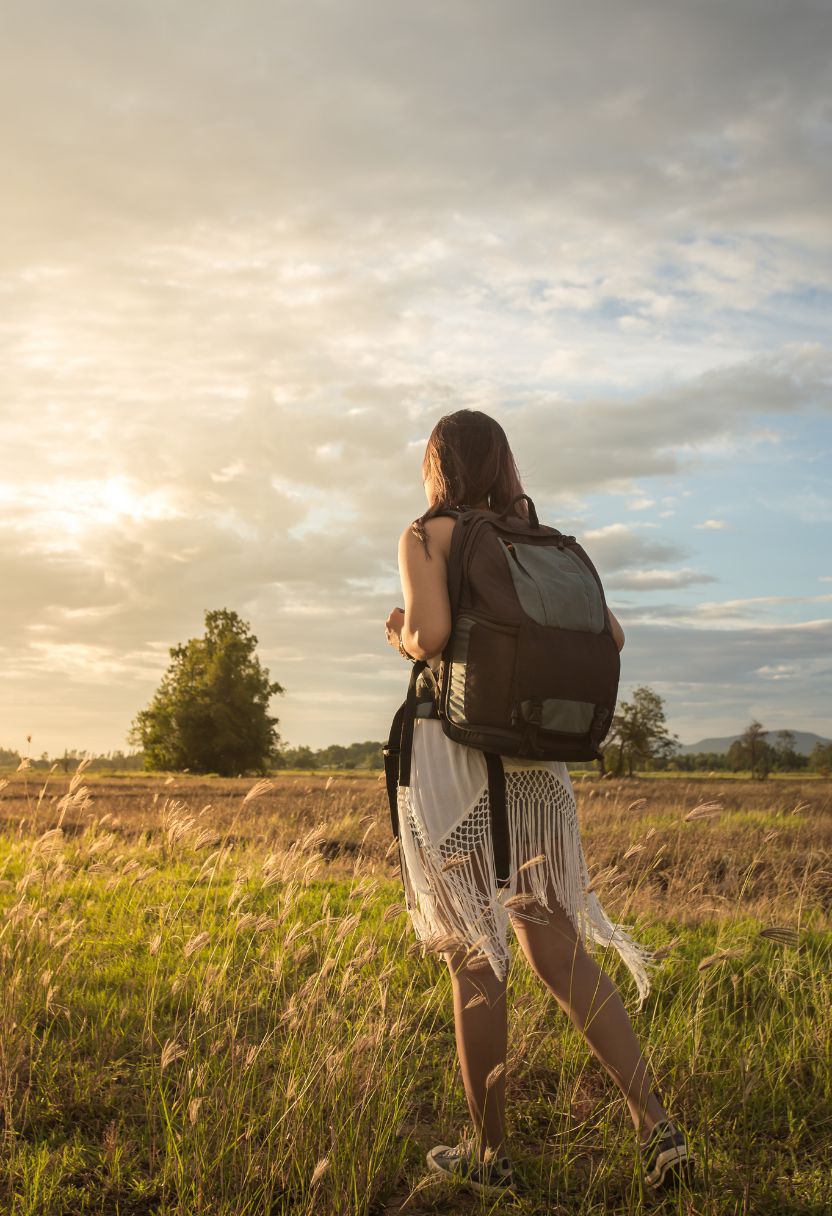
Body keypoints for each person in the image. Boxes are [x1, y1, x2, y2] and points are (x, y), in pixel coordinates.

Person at [384, 409, 693, 1197]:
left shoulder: (428, 534)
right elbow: (612, 635)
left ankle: (491, 1158)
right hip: (535, 762)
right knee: (556, 948)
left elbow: (434, 631)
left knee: (476, 959)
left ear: (439, 466)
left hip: (456, 755)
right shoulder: (541, 541)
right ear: (505, 465)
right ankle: (654, 1123)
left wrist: (402, 636)